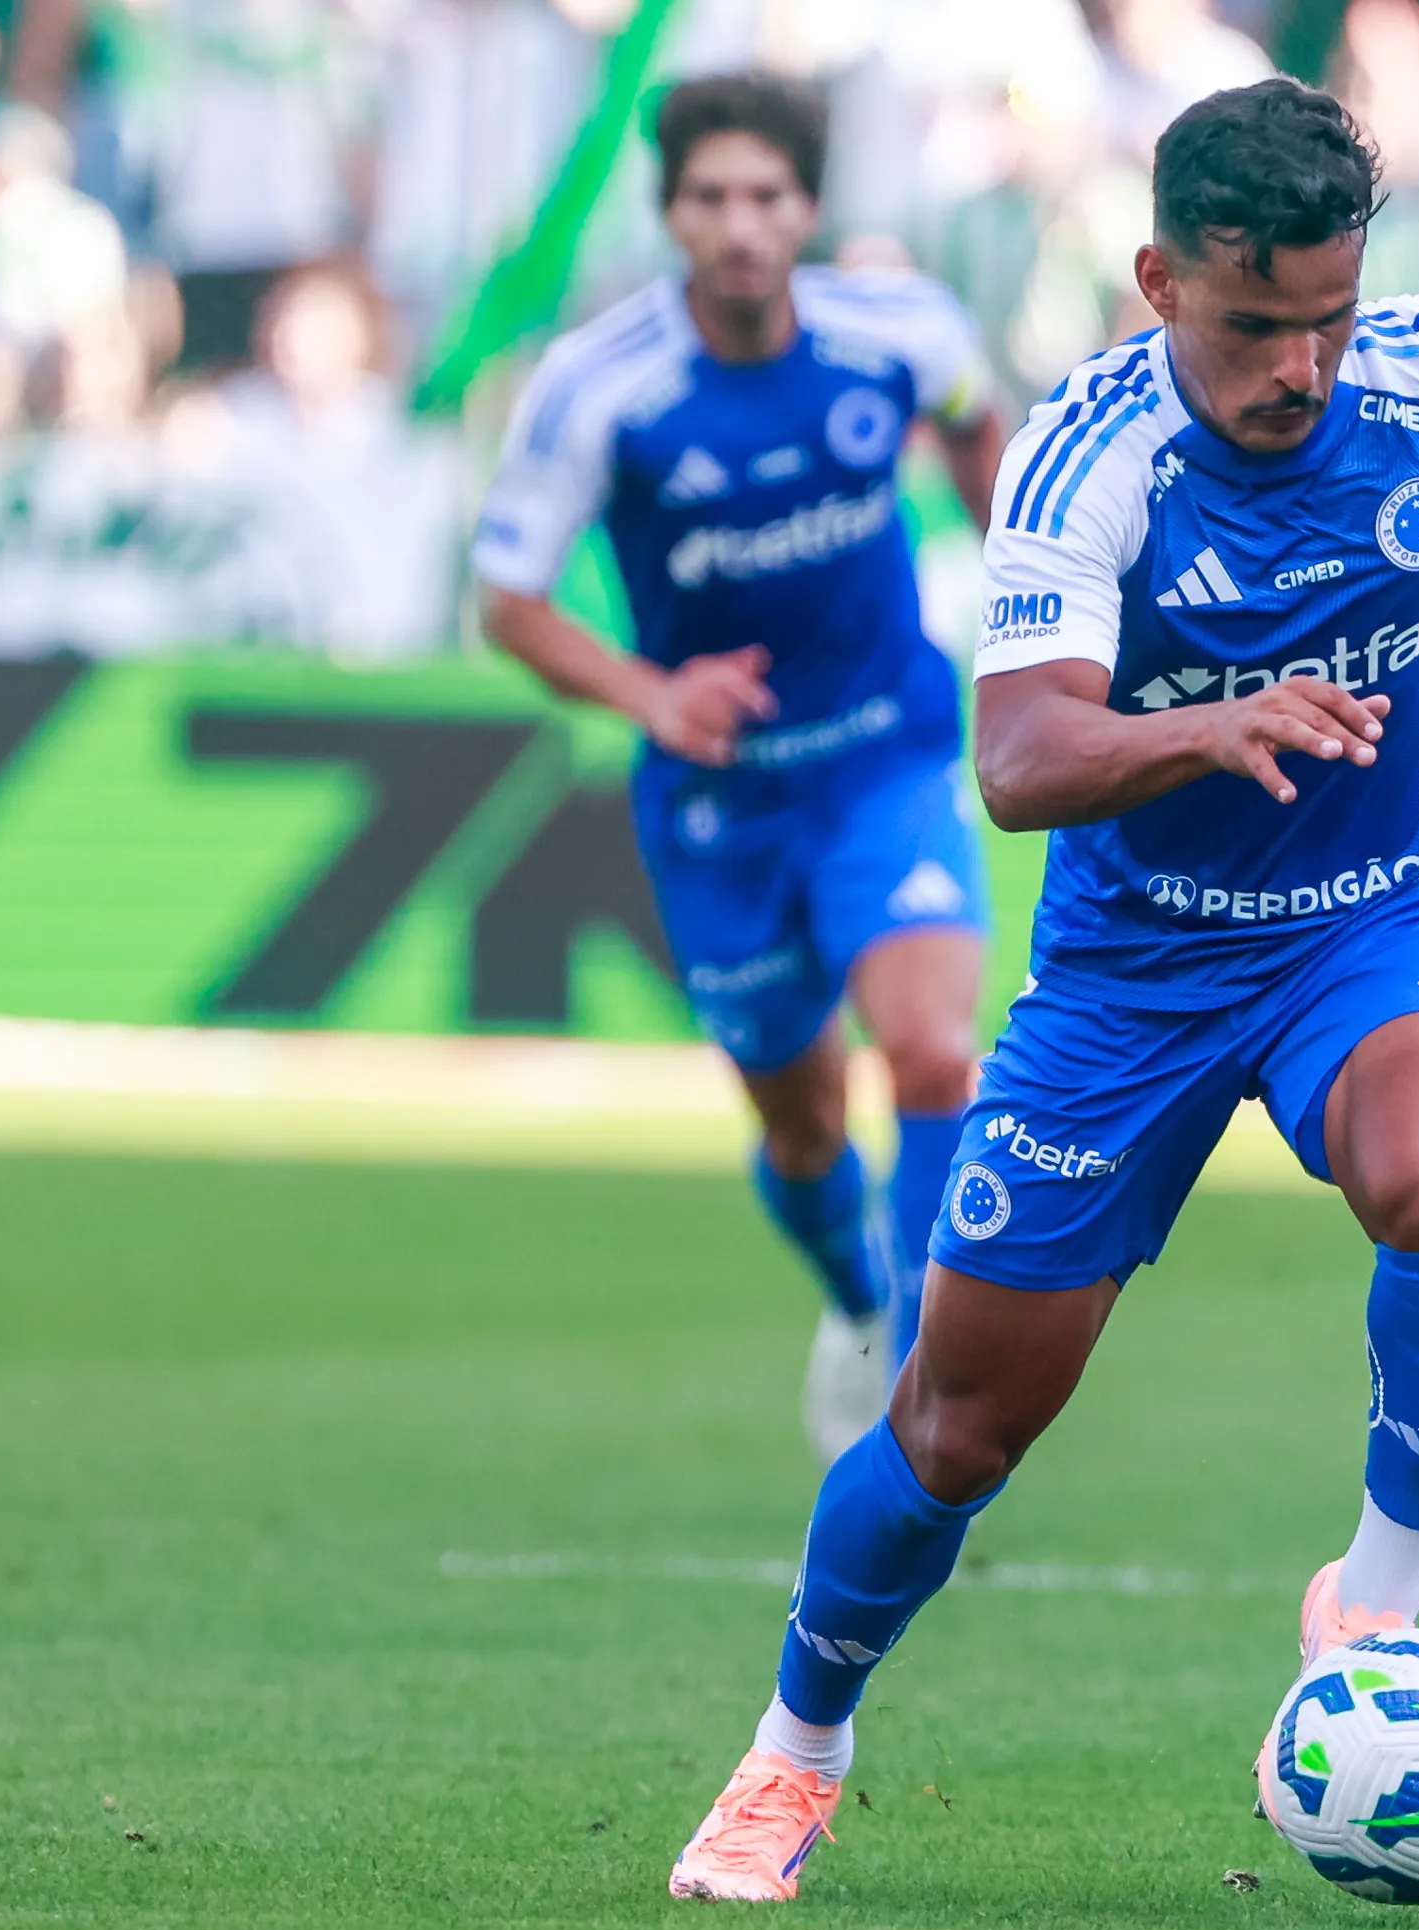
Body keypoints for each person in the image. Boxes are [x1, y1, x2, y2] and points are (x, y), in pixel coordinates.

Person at [664, 76, 1419, 1902]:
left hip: (1371, 920)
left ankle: (1375, 1604)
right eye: (1257, 327)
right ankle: (797, 1750)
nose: (1304, 366)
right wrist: (1210, 722)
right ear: (1160, 280)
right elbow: (1015, 761)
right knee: (955, 1426)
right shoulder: (1085, 454)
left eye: (1329, 315)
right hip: (1131, 974)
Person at [475, 74, 1007, 1465]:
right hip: (722, 803)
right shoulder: (600, 388)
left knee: (938, 1048)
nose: (740, 226)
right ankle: (857, 1298)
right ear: (670, 215)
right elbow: (510, 601)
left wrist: (1025, 574)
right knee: (803, 1117)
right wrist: (652, 693)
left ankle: (928, 1371)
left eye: (766, 196)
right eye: (709, 199)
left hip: (884, 757)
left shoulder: (900, 330)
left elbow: (981, 422)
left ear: (809, 207)